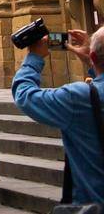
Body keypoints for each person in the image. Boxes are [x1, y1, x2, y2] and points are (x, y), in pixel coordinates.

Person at [11, 23, 104, 205]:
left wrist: (35, 57)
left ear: (93, 56)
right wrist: (92, 63)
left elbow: (25, 95)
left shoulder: (79, 98)